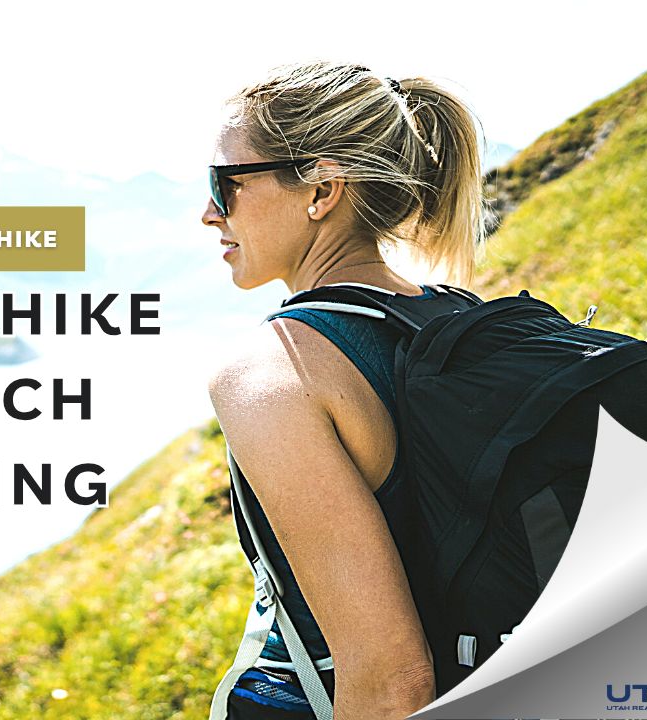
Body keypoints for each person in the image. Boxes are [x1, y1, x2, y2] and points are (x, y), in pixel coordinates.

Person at [201, 61, 487, 719]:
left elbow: (391, 683)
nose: (208, 212)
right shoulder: (461, 318)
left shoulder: (274, 373)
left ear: (323, 190)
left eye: (227, 182)